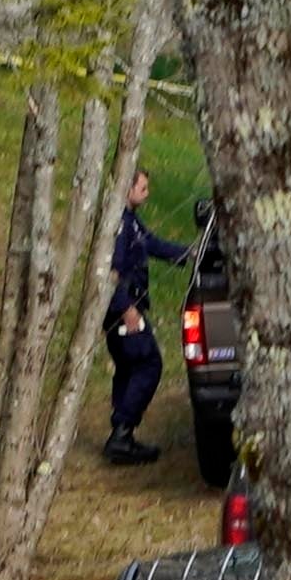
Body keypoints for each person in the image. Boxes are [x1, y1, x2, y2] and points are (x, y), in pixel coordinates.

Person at [97, 169, 195, 464]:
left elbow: (153, 244)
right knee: (147, 363)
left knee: (128, 368)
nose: (147, 193)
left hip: (129, 308)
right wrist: (125, 308)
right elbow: (110, 273)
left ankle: (121, 435)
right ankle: (122, 434)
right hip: (124, 310)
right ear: (126, 189)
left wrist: (190, 253)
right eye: (142, 187)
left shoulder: (132, 222)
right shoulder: (117, 226)